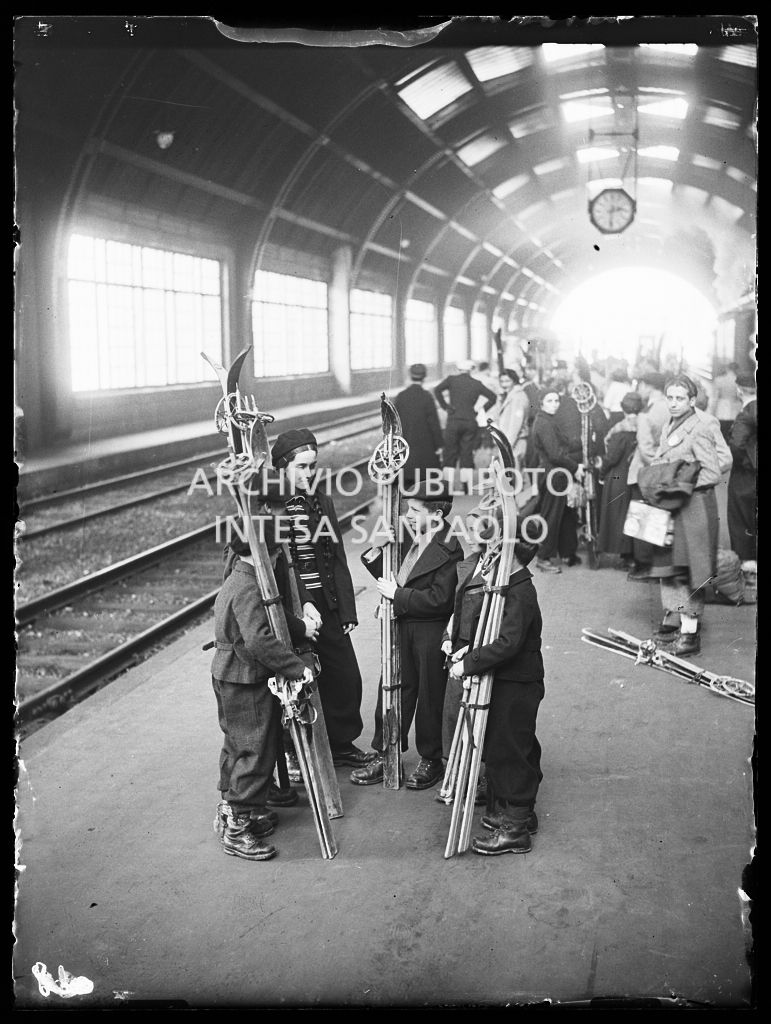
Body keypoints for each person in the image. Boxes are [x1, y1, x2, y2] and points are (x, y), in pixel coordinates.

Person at [269, 428, 372, 769]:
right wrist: (303, 601)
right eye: (301, 467)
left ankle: (340, 743)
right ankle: (295, 751)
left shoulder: (321, 501)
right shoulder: (271, 507)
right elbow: (283, 564)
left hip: (325, 602)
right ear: (282, 467)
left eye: (312, 467)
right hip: (291, 606)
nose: (308, 474)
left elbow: (337, 557)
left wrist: (345, 608)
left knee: (346, 676)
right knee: (297, 680)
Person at [444, 510, 544, 856]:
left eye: (496, 550)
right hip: (510, 680)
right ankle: (519, 813)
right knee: (513, 744)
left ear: (510, 555)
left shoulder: (519, 592)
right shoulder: (509, 586)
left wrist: (469, 664)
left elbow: (507, 643)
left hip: (517, 684)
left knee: (510, 750)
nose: (488, 553)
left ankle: (516, 827)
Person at [209, 535, 315, 862]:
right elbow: (258, 640)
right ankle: (238, 827)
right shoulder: (250, 586)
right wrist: (296, 668)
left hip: (231, 674)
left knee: (238, 744)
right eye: (277, 551)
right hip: (244, 678)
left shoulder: (239, 577)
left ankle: (234, 810)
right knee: (255, 748)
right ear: (266, 554)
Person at [351, 485, 463, 789]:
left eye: (415, 510)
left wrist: (399, 595)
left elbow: (441, 599)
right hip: (403, 623)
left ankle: (431, 758)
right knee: (392, 689)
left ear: (436, 514)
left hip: (429, 631)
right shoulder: (410, 534)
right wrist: (377, 549)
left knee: (429, 694)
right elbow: (391, 573)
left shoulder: (451, 548)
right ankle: (385, 751)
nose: (407, 515)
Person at [644, 374, 722, 657]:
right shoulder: (669, 424)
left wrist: (678, 483)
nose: (674, 403)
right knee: (672, 568)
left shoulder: (700, 428)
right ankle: (680, 624)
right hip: (674, 508)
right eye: (670, 398)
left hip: (694, 510)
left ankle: (690, 635)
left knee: (690, 571)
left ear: (692, 401)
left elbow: (712, 471)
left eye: (680, 398)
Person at [530, 387, 585, 572]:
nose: (554, 404)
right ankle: (543, 557)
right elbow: (554, 454)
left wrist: (582, 442)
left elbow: (564, 444)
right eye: (549, 401)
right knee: (551, 516)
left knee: (564, 515)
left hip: (555, 474)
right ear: (541, 403)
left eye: (556, 401)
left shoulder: (548, 420)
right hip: (553, 474)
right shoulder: (544, 423)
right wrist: (575, 467)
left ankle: (567, 552)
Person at [626, 371, 670, 581]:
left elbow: (645, 449)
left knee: (641, 516)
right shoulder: (671, 407)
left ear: (647, 385)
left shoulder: (647, 413)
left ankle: (643, 566)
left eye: (640, 385)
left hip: (645, 472)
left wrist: (655, 466)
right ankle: (658, 565)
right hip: (668, 470)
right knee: (658, 518)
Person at [596, 391, 643, 564]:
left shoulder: (619, 430)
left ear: (623, 408)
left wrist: (601, 474)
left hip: (619, 476)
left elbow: (611, 458)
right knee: (633, 515)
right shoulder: (643, 427)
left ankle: (624, 554)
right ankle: (633, 555)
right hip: (637, 475)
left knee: (619, 517)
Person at [434, 360, 497, 476]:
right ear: (471, 370)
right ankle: (466, 487)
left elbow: (437, 390)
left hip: (453, 420)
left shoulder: (451, 380)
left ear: (459, 369)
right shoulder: (477, 383)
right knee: (466, 454)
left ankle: (449, 485)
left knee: (450, 453)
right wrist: (480, 410)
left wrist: (445, 407)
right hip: (470, 421)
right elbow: (493, 397)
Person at [392, 363, 443, 480]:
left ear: (410, 376)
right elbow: (434, 424)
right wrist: (439, 445)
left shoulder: (401, 396)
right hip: (425, 447)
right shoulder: (427, 397)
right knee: (424, 480)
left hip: (405, 446)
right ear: (424, 377)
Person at [727, 372, 757, 564]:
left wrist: (745, 463)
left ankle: (747, 565)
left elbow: (737, 445)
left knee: (741, 518)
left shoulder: (746, 413)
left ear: (739, 391)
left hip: (745, 475)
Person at [493, 369, 530, 471]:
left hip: (514, 442)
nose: (504, 384)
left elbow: (515, 425)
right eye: (502, 381)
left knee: (513, 479)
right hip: (509, 441)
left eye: (507, 381)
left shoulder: (517, 397)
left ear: (514, 381)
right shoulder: (509, 395)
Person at [709, 361, 742, 443]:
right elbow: (740, 397)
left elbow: (715, 398)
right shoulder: (739, 381)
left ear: (727, 369)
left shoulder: (719, 380)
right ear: (737, 369)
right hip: (734, 411)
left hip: (721, 411)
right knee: (731, 437)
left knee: (720, 435)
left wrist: (712, 413)